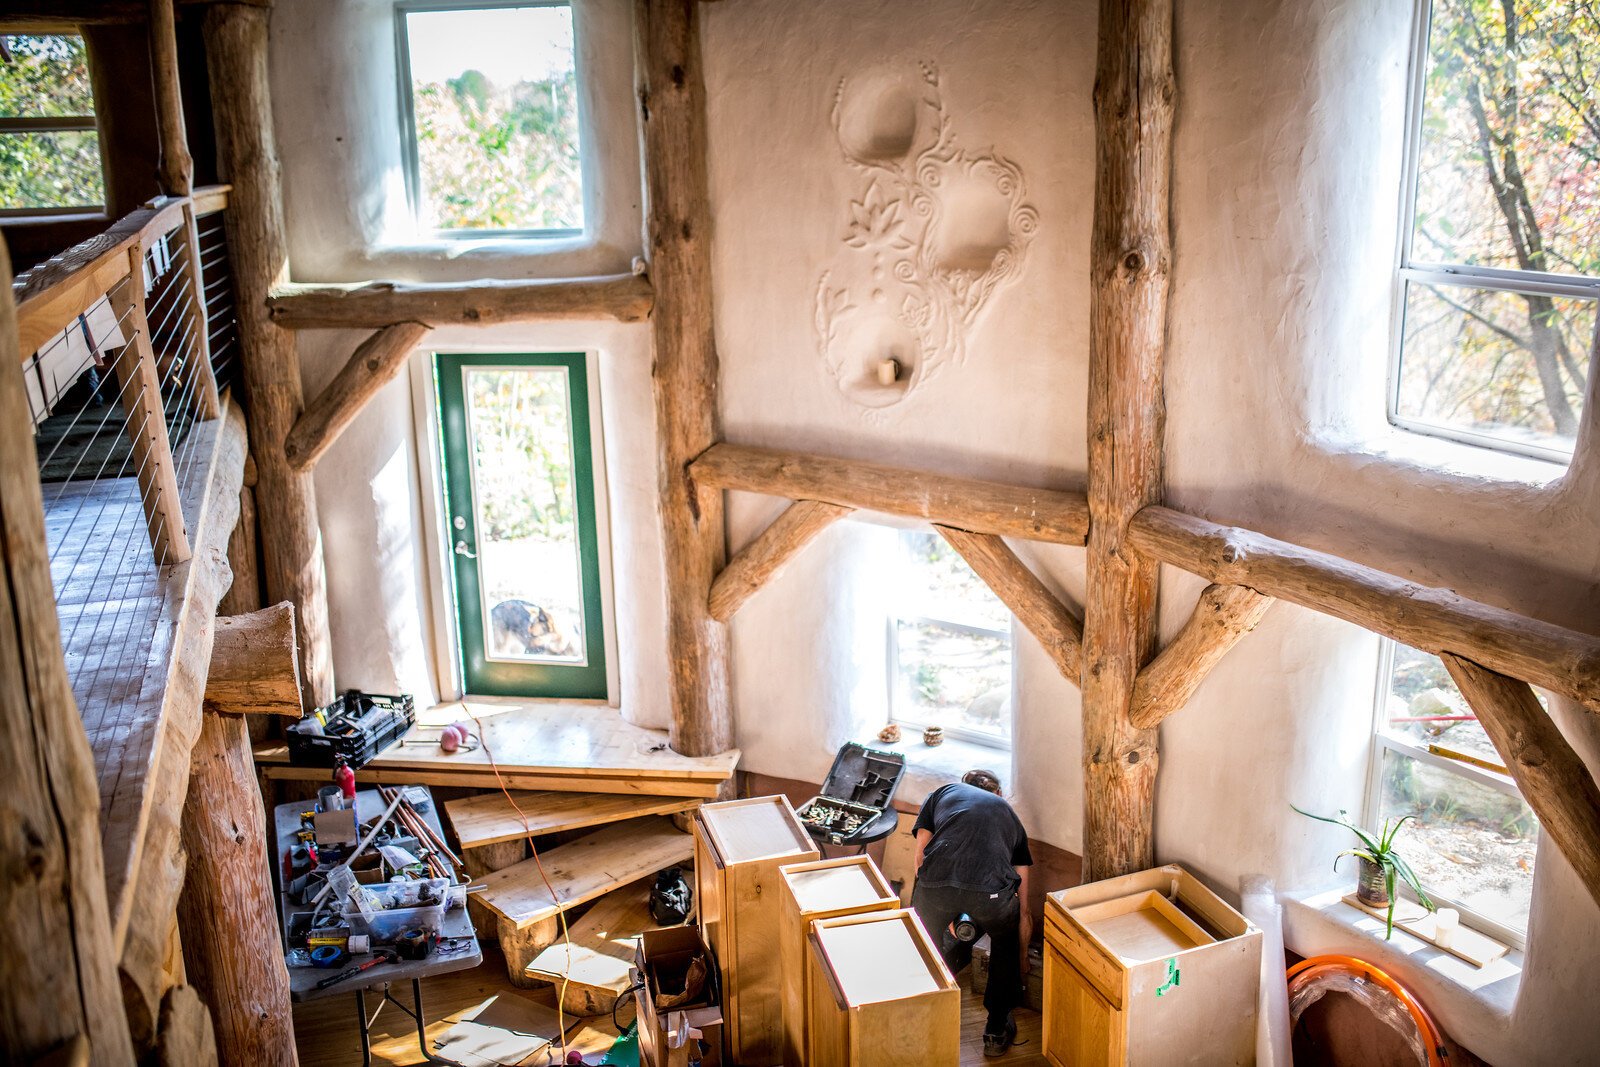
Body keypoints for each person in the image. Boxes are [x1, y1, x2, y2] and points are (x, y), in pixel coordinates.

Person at [911, 769, 1032, 1058]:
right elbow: (1023, 904)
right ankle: (996, 1029)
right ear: (999, 793)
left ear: (964, 787)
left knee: (924, 945)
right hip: (990, 893)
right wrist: (1022, 954)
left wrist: (941, 904)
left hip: (935, 884)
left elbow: (920, 858)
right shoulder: (1010, 817)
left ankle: (918, 1017)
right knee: (1004, 939)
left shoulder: (944, 793)